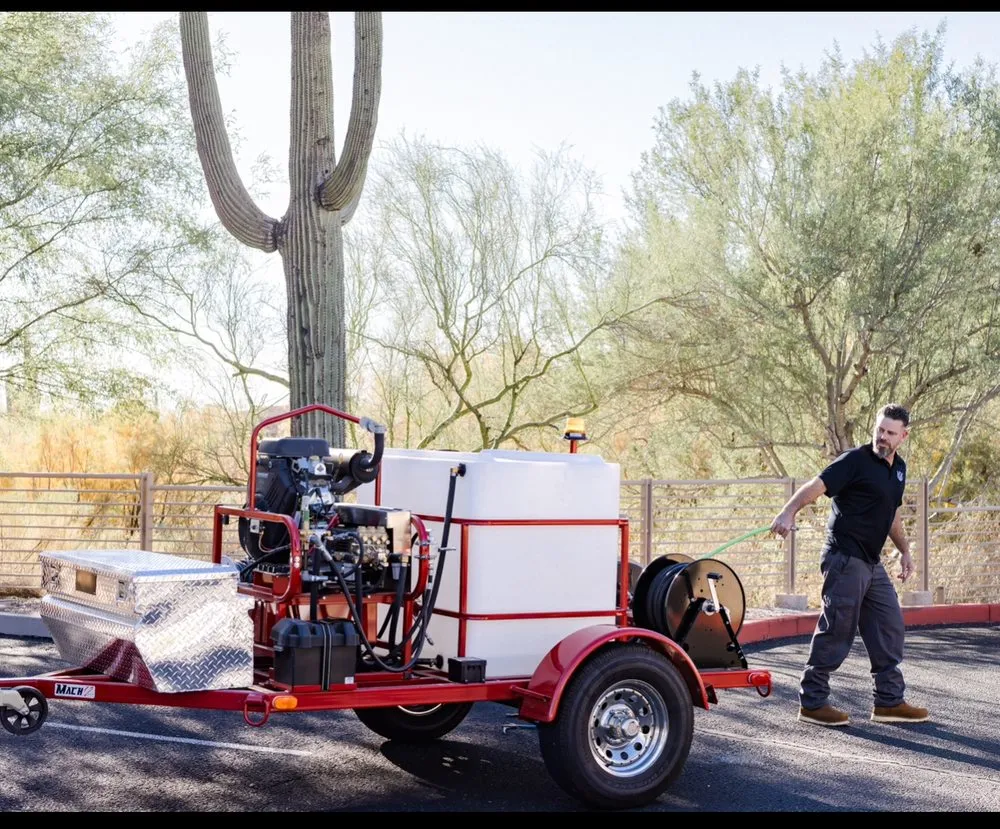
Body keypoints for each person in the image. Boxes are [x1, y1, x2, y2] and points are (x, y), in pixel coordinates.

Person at [770, 403, 929, 727]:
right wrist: (788, 512)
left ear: (903, 436)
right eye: (879, 429)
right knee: (837, 628)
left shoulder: (898, 469)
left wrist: (905, 550)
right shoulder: (855, 461)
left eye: (889, 432)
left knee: (889, 625)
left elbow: (892, 513)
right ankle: (812, 703)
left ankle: (889, 702)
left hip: (871, 562)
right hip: (844, 558)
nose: (882, 437)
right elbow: (816, 487)